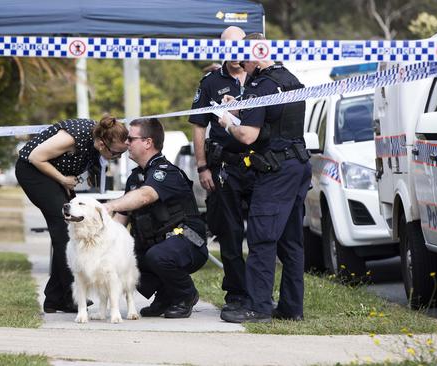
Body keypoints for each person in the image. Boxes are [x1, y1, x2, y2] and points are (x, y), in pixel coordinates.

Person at [217, 33, 312, 323]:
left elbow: (249, 135)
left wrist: (228, 121)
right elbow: (276, 118)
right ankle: (291, 308)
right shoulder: (289, 79)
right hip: (298, 166)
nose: (241, 66)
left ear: (255, 55)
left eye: (243, 59)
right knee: (291, 242)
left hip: (276, 171)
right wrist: (242, 105)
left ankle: (258, 307)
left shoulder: (261, 86)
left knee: (261, 238)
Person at [16, 116, 128, 313]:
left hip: (54, 175)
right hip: (32, 171)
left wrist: (64, 181)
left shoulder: (97, 139)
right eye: (117, 153)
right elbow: (35, 157)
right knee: (64, 231)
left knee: (69, 229)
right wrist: (63, 180)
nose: (118, 157)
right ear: (102, 143)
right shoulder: (73, 137)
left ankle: (54, 298)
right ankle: (69, 297)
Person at [103, 118, 207, 319]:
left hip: (188, 243)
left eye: (130, 139)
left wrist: (110, 205)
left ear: (148, 142)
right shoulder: (135, 178)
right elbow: (120, 220)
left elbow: (145, 196)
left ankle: (186, 295)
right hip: (158, 244)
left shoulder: (165, 173)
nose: (126, 143)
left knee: (157, 256)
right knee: (123, 258)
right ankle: (166, 295)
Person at [189, 25, 255, 313]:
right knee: (229, 234)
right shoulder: (211, 83)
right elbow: (198, 127)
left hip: (258, 166)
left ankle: (257, 291)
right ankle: (237, 294)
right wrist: (202, 166)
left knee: (261, 232)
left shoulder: (259, 78)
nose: (235, 56)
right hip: (224, 165)